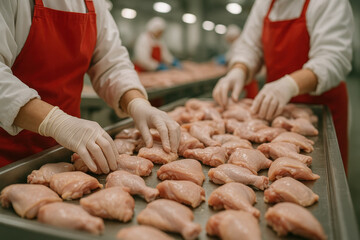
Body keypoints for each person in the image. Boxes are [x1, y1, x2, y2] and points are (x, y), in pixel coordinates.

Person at [0, 0, 180, 173]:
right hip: (8, 155)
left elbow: (112, 65)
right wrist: (56, 123)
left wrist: (137, 103)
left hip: (71, 149)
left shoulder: (94, 3)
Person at [212, 0, 353, 172]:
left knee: (325, 172)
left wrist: (290, 85)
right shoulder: (264, 3)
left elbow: (333, 58)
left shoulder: (328, 2)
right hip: (276, 109)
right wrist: (240, 69)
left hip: (321, 109)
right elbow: (250, 47)